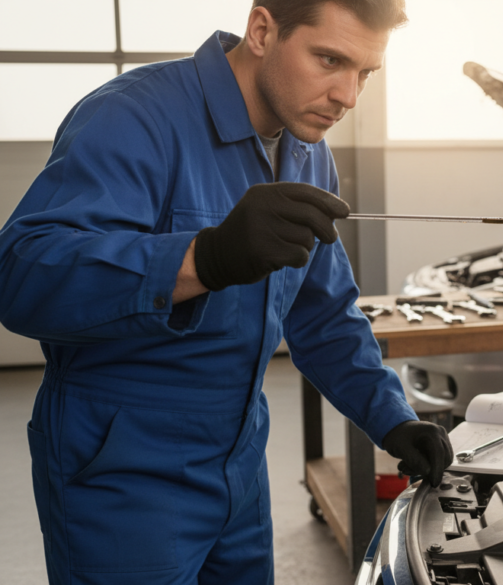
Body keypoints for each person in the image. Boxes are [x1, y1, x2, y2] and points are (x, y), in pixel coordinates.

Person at [0, 1, 452, 583]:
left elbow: (324, 313)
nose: (348, 96)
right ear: (262, 30)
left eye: (365, 73)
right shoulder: (134, 117)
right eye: (329, 60)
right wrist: (204, 258)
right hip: (122, 469)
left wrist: (392, 419)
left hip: (240, 463)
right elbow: (21, 275)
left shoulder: (307, 151)